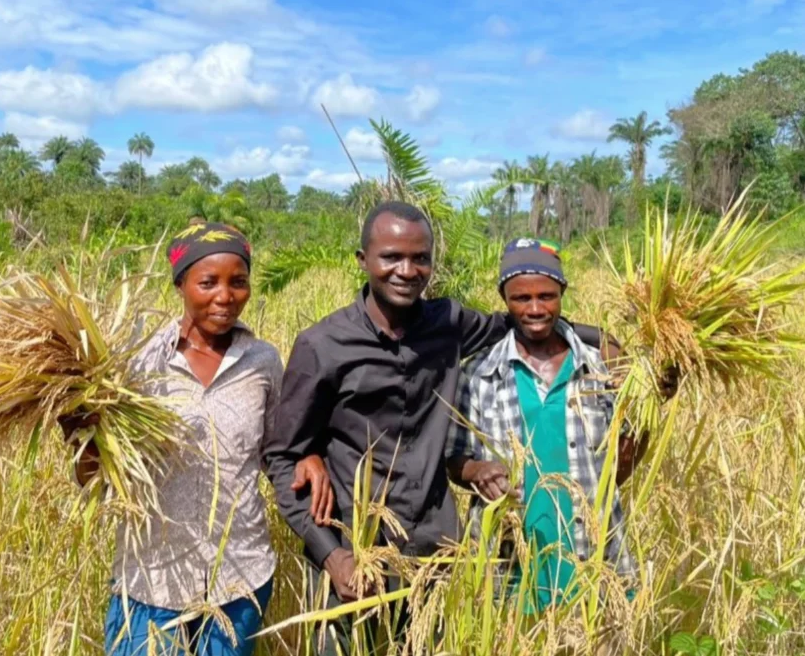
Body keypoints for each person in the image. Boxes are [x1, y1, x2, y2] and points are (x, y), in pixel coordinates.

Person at [63, 222, 332, 656]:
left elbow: (277, 452)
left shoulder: (262, 361)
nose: (225, 297)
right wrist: (77, 425)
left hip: (240, 575)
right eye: (208, 282)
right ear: (180, 283)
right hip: (151, 579)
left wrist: (310, 456)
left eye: (238, 282)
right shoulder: (137, 358)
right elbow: (94, 475)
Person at [262, 201, 514, 655]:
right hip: (353, 563)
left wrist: (603, 341)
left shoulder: (449, 323)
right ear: (363, 261)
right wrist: (331, 554)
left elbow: (521, 322)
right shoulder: (323, 346)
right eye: (391, 257)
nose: (407, 270)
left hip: (434, 557)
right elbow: (283, 456)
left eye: (420, 258)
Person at [446, 239, 677, 627]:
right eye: (521, 298)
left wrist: (652, 400)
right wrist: (476, 472)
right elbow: (455, 461)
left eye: (546, 296)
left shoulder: (605, 364)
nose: (535, 309)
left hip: (596, 560)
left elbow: (620, 469)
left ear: (562, 293)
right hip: (510, 566)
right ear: (505, 299)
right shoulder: (479, 372)